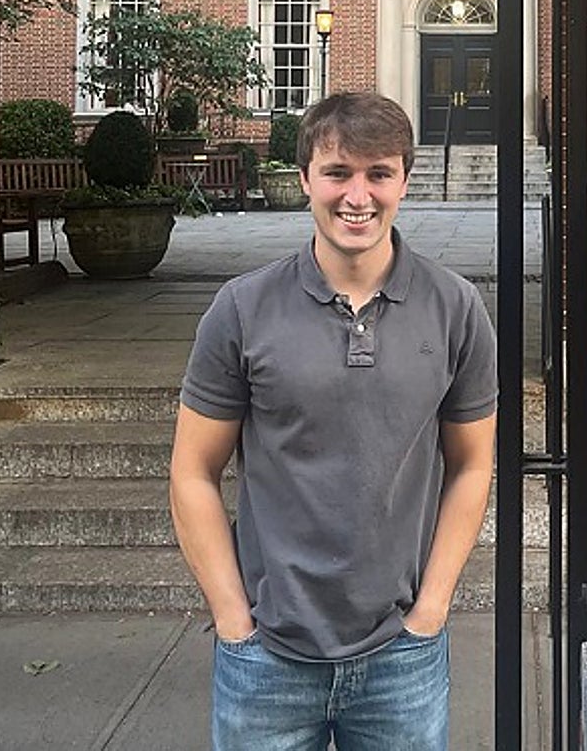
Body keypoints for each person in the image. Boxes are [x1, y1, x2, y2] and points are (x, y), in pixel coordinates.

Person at [169, 91, 498, 750]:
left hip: (401, 657)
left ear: (405, 179)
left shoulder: (456, 309)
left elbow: (471, 464)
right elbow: (192, 472)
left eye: (378, 173)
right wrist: (234, 621)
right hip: (267, 658)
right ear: (304, 180)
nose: (358, 195)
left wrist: (430, 611)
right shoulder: (242, 309)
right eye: (337, 172)